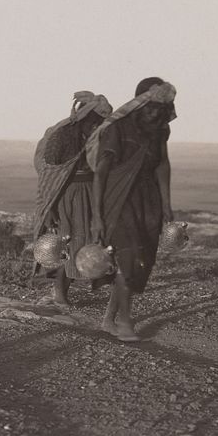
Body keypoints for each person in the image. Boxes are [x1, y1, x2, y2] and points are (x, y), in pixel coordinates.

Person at [85, 77, 176, 341]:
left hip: (148, 201)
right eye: (150, 107)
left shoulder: (159, 130)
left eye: (160, 109)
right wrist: (97, 217)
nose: (154, 113)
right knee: (129, 258)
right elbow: (101, 174)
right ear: (140, 103)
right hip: (119, 200)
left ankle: (108, 320)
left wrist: (167, 205)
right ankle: (125, 322)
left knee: (141, 258)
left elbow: (162, 165)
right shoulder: (119, 128)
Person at [32, 92, 113, 305]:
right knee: (69, 243)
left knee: (94, 240)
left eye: (100, 124)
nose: (97, 127)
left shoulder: (98, 136)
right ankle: (60, 292)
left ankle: (94, 278)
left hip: (91, 192)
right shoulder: (62, 137)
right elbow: (48, 175)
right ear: (85, 118)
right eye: (94, 123)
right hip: (67, 195)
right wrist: (48, 208)